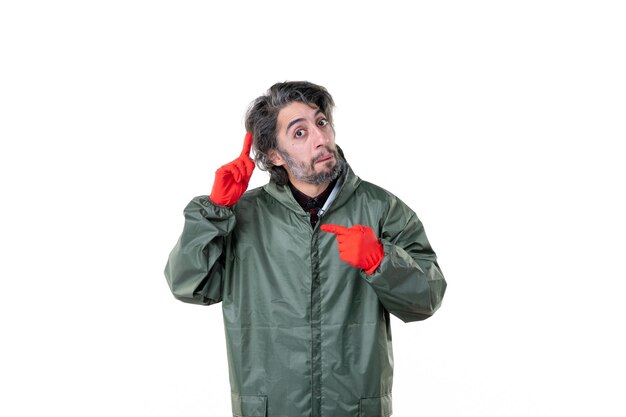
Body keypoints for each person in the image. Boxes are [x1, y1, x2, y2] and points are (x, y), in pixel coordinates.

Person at [164, 81, 447, 417]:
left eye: (321, 122)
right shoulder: (242, 216)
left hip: (353, 409)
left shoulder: (381, 209)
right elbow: (189, 285)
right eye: (300, 133)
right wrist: (214, 211)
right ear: (274, 155)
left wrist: (380, 260)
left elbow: (427, 299)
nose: (320, 138)